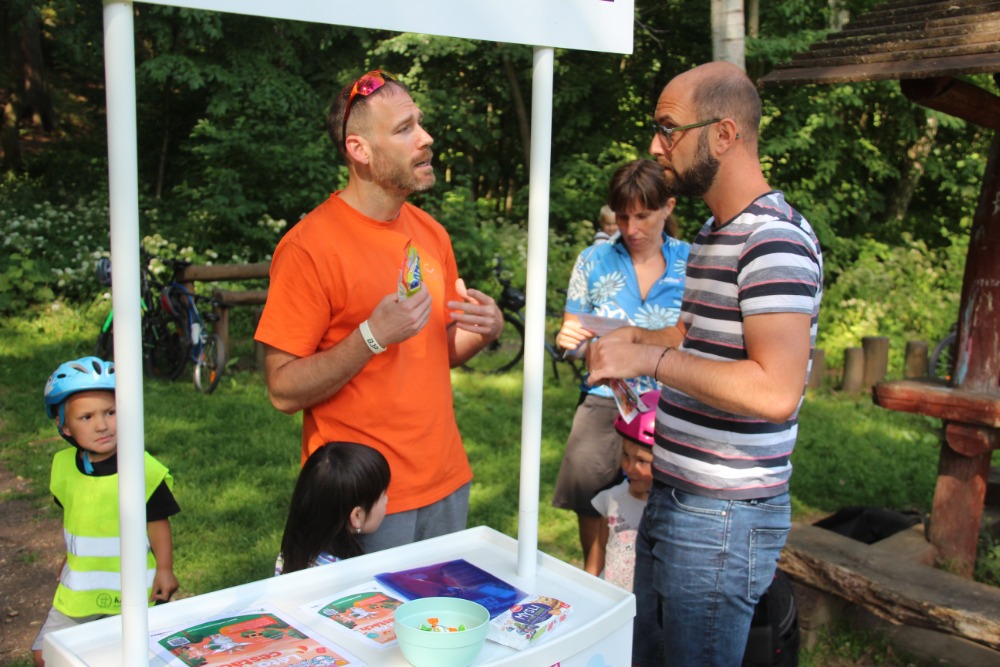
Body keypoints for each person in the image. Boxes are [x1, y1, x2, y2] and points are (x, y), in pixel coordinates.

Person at [587, 61, 824, 667]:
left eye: (668, 129)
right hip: (677, 490)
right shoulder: (716, 233)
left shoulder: (773, 241)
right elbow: (693, 338)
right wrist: (631, 339)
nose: (655, 146)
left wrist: (650, 356)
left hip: (723, 515)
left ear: (723, 135)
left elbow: (776, 390)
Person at [254, 70, 502, 554]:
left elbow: (437, 351)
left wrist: (484, 331)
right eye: (405, 128)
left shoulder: (432, 233)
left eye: (420, 123)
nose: (426, 138)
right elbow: (283, 390)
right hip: (365, 497)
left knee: (440, 605)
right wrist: (370, 336)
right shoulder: (308, 247)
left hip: (446, 480)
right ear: (360, 150)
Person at [551, 158, 689, 576]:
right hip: (604, 395)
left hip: (669, 400)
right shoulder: (593, 260)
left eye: (643, 216)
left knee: (663, 500)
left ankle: (646, 579)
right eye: (623, 216)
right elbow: (574, 337)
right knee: (590, 495)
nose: (630, 229)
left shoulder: (693, 262)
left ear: (668, 207)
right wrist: (568, 341)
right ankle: (594, 577)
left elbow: (696, 337)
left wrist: (640, 340)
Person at [33, 357, 179, 667]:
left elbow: (157, 524)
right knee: (45, 655)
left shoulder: (143, 469)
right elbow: (79, 518)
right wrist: (71, 558)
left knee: (127, 658)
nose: (102, 425)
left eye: (111, 412)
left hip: (132, 591)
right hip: (80, 588)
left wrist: (165, 569)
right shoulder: (62, 467)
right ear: (64, 425)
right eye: (86, 417)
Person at [275, 442, 391, 575]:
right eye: (383, 495)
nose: (386, 500)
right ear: (357, 516)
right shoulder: (348, 574)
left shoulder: (291, 553)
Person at [590, 390, 657, 592]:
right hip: (608, 597)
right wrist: (587, 586)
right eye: (625, 455)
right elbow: (599, 547)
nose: (629, 467)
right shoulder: (612, 498)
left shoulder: (666, 512)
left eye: (642, 461)